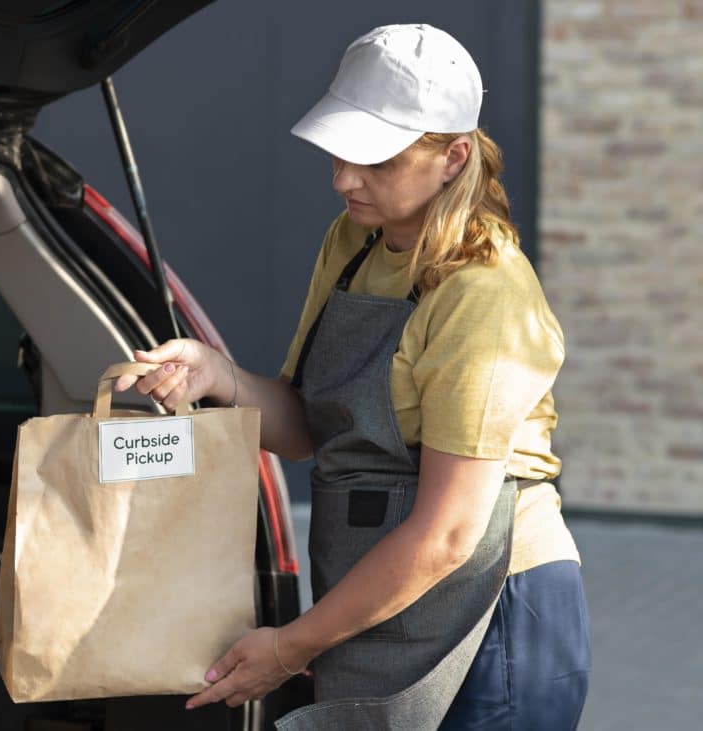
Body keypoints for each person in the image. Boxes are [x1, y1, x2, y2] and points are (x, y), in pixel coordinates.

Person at [115, 23, 590, 730]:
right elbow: (311, 426)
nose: (343, 178)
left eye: (375, 159)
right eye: (340, 150)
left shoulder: (484, 293)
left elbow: (451, 532)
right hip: (380, 595)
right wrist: (218, 375)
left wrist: (288, 647)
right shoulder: (352, 243)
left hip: (490, 618)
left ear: (453, 157)